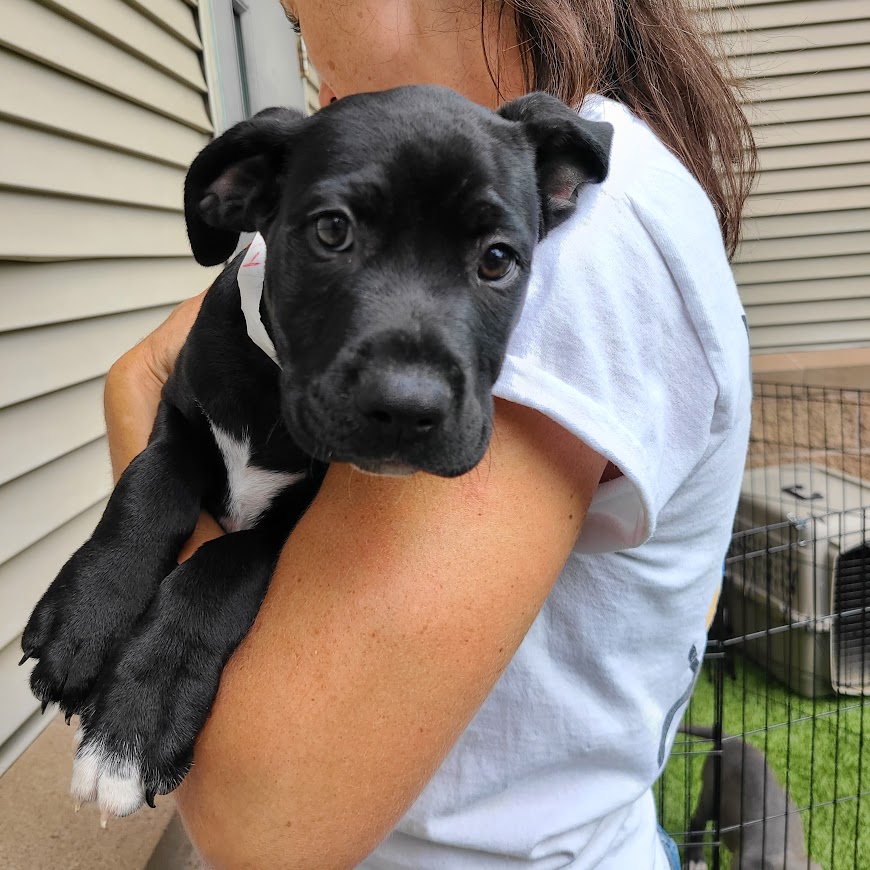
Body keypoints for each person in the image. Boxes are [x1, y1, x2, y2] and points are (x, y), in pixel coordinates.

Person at [103, 1, 755, 867]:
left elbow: (261, 826)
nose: (308, 51)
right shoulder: (426, 170)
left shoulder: (590, 218)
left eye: (296, 19)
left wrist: (136, 410)